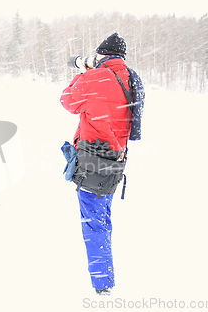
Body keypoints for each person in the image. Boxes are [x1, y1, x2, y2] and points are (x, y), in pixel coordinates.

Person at [60, 33, 145, 295]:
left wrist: (83, 73)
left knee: (94, 223)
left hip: (92, 161)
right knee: (102, 219)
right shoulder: (130, 77)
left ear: (101, 55)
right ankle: (104, 276)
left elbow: (67, 100)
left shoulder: (95, 77)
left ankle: (103, 285)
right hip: (116, 159)